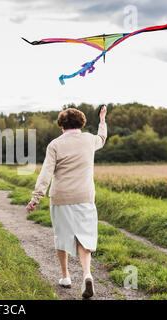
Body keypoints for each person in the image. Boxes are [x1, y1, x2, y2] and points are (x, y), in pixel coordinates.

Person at [26, 106, 107, 299]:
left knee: (62, 236)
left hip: (61, 197)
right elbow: (102, 139)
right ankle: (87, 274)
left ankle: (65, 277)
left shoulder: (54, 145)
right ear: (81, 123)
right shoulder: (89, 140)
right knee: (84, 237)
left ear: (62, 125)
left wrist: (35, 198)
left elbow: (46, 173)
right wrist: (102, 120)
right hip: (85, 197)